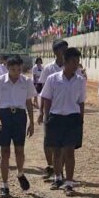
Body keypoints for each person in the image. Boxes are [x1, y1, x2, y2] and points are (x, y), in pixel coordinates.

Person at [40, 47, 86, 196]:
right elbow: (46, 98)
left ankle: (69, 182)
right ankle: (58, 177)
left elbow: (81, 102)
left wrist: (81, 119)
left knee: (70, 152)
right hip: (56, 117)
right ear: (65, 62)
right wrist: (46, 117)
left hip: (72, 118)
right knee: (57, 151)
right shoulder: (53, 79)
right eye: (73, 61)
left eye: (77, 62)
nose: (76, 65)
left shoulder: (80, 81)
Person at [0, 56, 36, 198]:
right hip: (4, 116)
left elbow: (28, 103)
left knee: (19, 150)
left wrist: (31, 123)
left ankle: (20, 173)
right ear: (8, 68)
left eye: (19, 69)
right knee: (5, 152)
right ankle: (4, 185)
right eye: (14, 69)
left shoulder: (26, 82)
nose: (16, 72)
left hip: (19, 116)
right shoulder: (0, 81)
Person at [38, 40, 69, 181]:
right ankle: (50, 165)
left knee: (63, 143)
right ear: (56, 52)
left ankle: (60, 170)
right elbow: (43, 93)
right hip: (50, 110)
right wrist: (41, 111)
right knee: (48, 140)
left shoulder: (72, 67)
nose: (65, 53)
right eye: (63, 50)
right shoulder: (48, 69)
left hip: (66, 110)